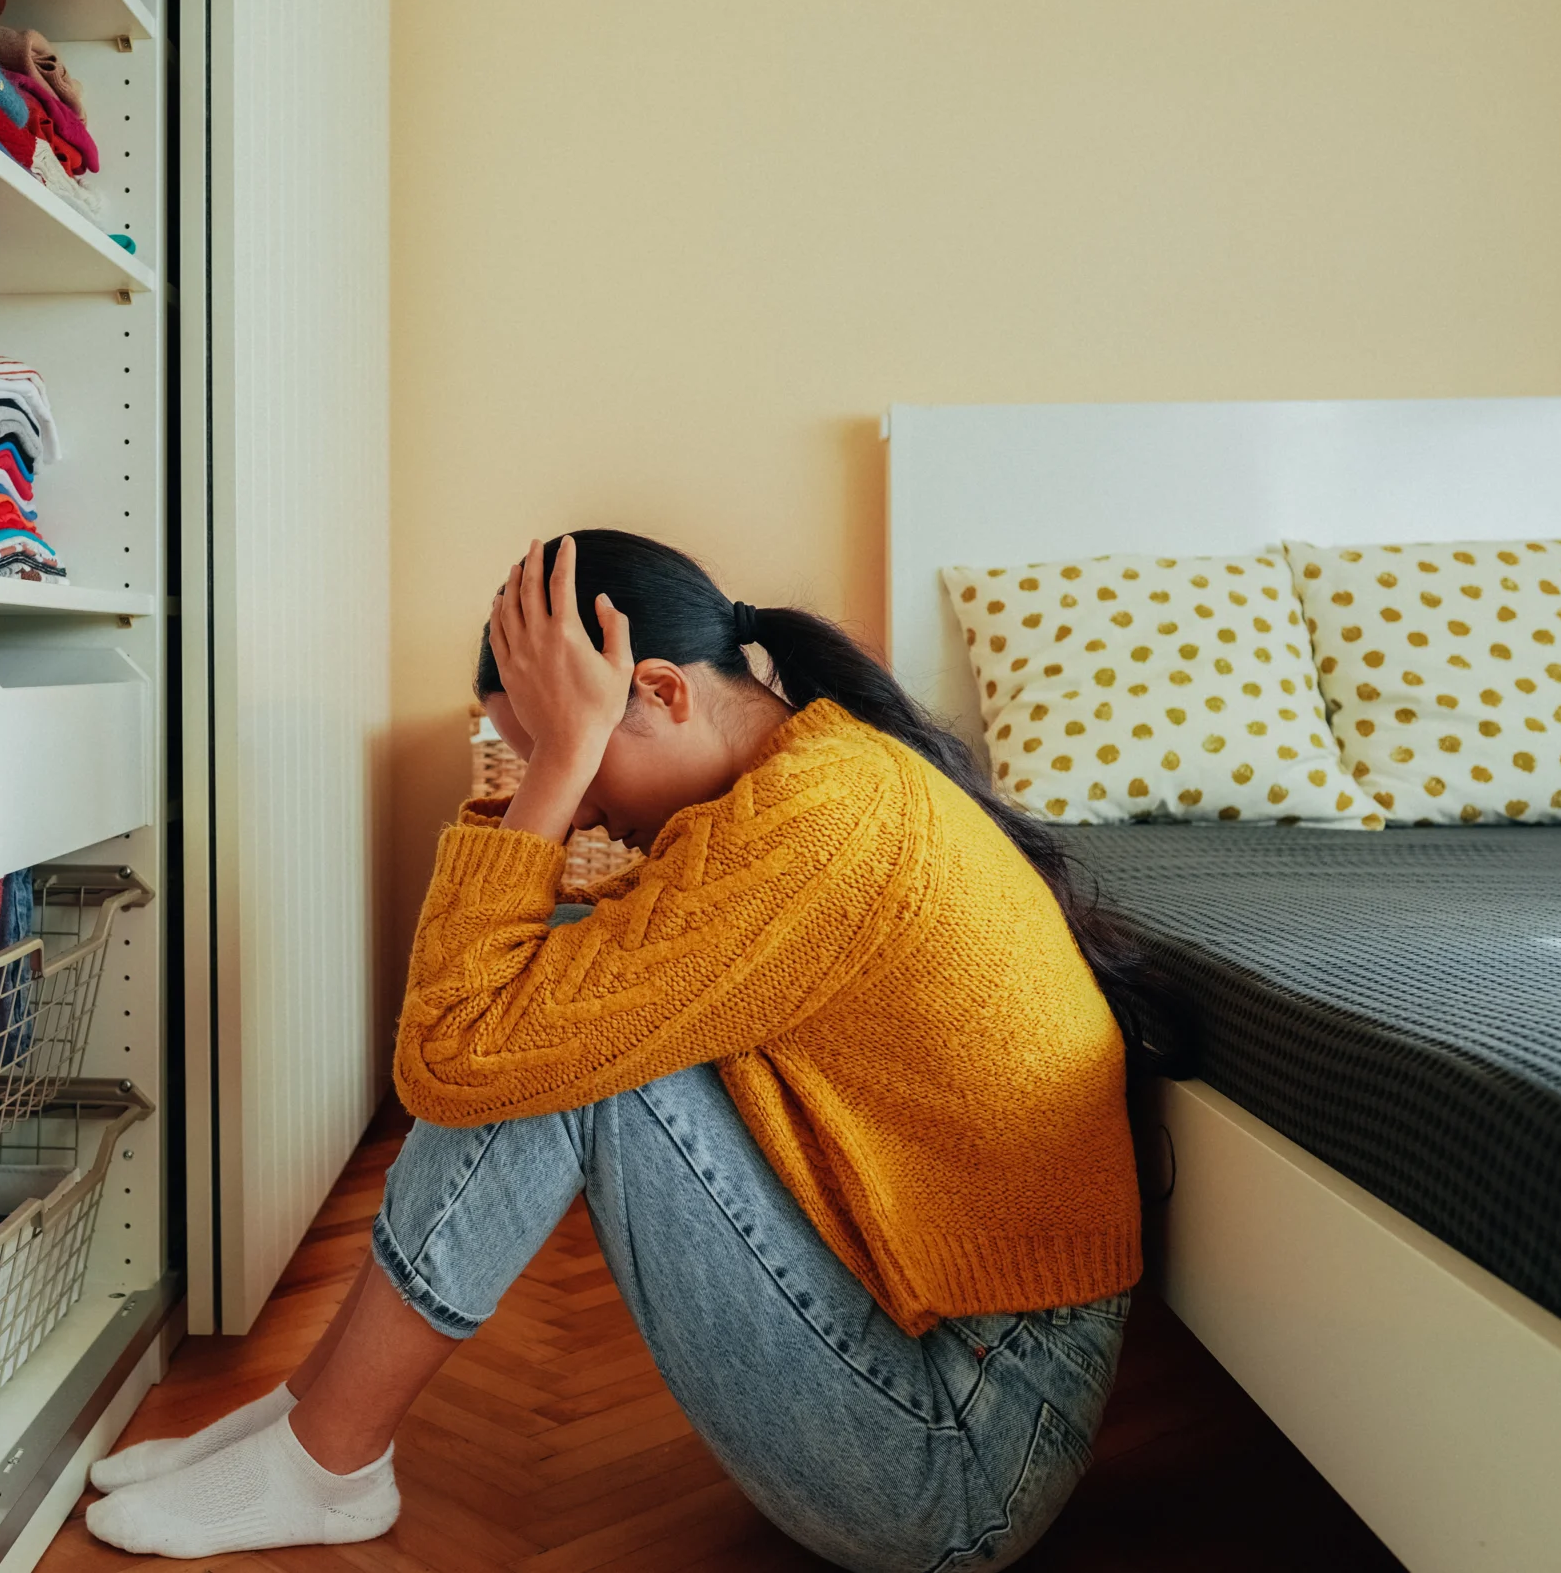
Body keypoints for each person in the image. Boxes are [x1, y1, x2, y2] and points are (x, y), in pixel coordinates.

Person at [85, 531, 1144, 1571]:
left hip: (964, 1451)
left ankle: (329, 1460)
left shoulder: (823, 820)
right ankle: (312, 1414)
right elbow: (488, 1021)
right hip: (942, 1353)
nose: (579, 806)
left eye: (577, 754)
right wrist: (565, 757)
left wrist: (554, 773)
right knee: (560, 995)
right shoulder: (811, 785)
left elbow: (458, 1048)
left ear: (663, 692)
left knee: (555, 1037)